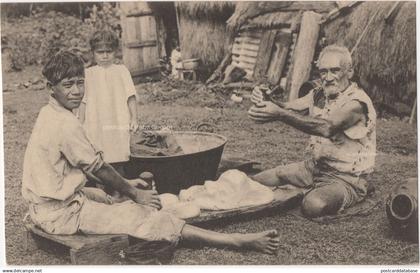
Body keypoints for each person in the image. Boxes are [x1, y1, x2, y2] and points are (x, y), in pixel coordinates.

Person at [21, 51, 280, 255]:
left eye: (80, 83)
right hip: (61, 214)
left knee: (101, 194)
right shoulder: (63, 123)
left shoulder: (51, 113)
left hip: (47, 205)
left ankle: (114, 206)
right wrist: (135, 192)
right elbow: (96, 166)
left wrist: (126, 183)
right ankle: (236, 241)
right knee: (142, 216)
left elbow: (86, 164)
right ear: (50, 87)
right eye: (68, 85)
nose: (76, 91)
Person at [248, 45, 376, 218]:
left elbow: (326, 127)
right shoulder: (318, 94)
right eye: (323, 72)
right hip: (314, 168)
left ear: (350, 72)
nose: (328, 78)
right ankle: (305, 188)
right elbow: (288, 107)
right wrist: (265, 99)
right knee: (256, 181)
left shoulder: (356, 103)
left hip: (346, 178)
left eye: (335, 71)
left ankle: (354, 191)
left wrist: (279, 114)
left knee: (312, 206)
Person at [78, 30, 138, 177]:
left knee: (119, 151)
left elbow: (131, 96)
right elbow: (83, 100)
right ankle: (101, 187)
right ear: (93, 53)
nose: (105, 56)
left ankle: (120, 187)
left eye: (108, 52)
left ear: (115, 52)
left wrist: (134, 118)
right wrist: (80, 122)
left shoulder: (121, 71)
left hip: (117, 117)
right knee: (97, 150)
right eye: (100, 52)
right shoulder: (88, 74)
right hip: (95, 119)